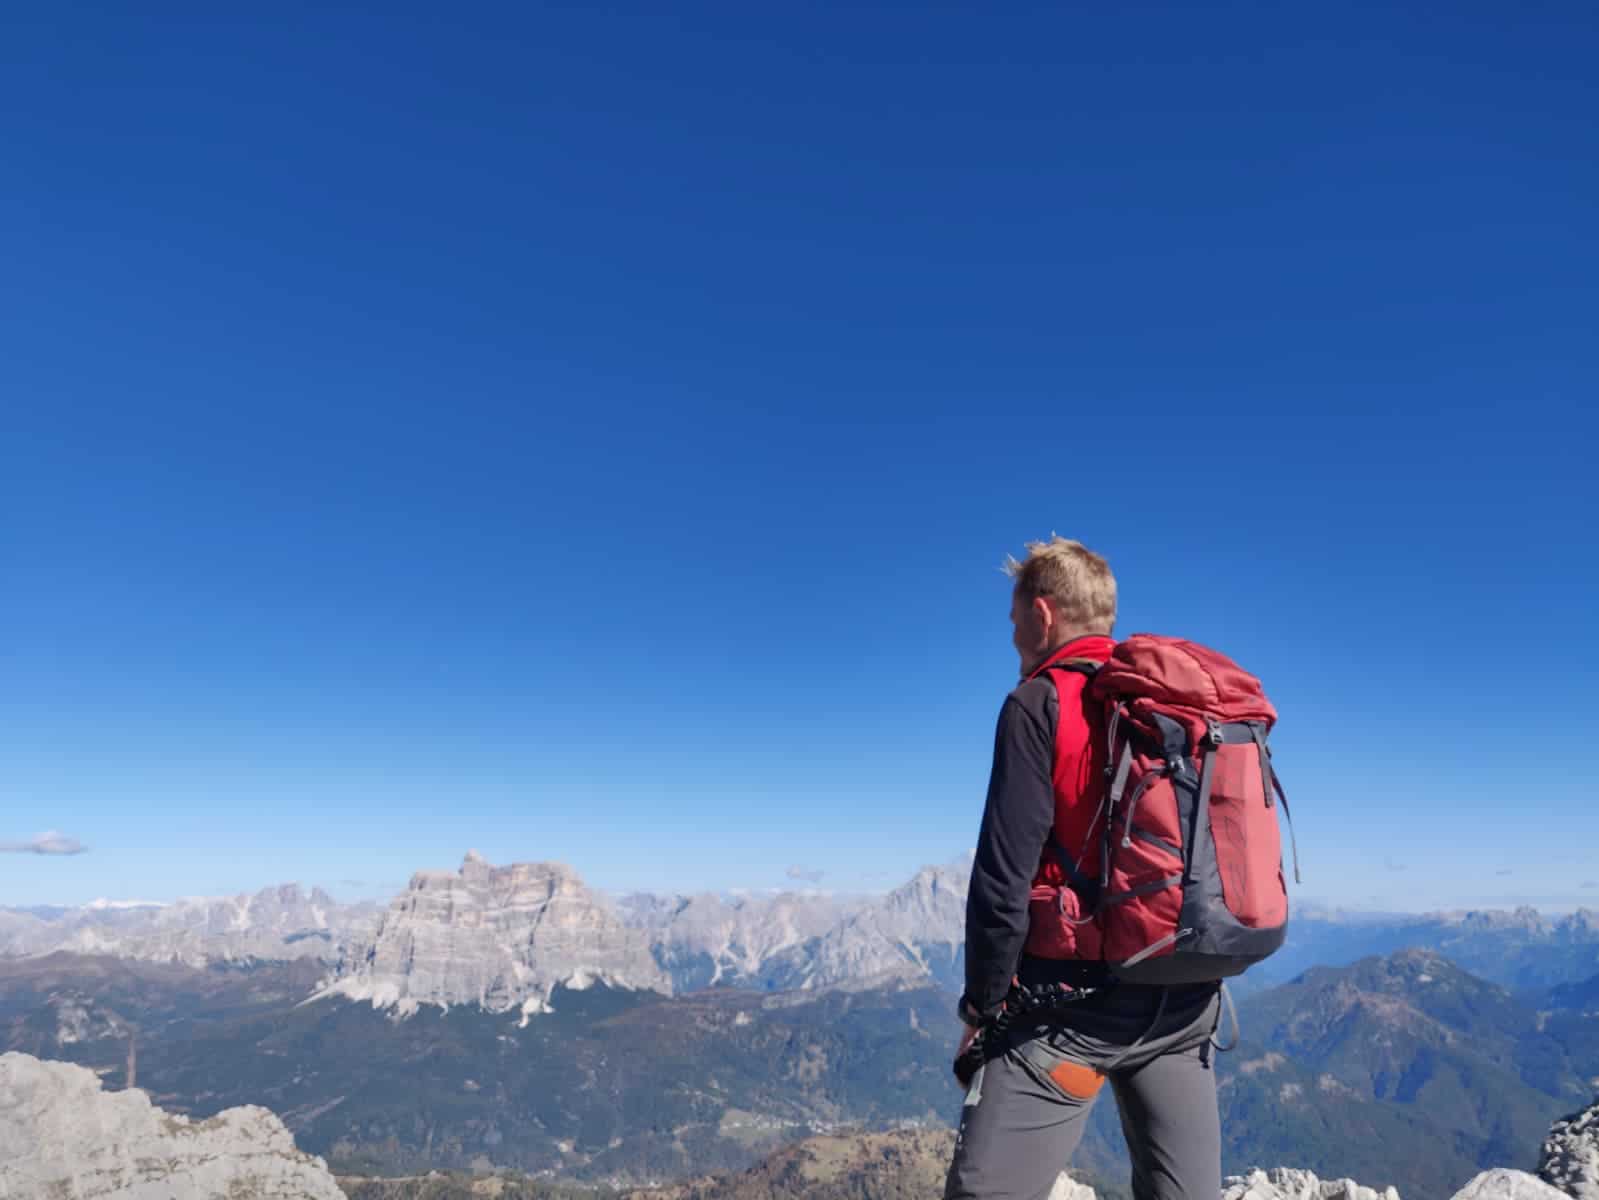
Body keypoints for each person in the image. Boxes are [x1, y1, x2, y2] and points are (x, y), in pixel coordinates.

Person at [945, 536, 1224, 1200]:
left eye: (1015, 626)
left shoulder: (1039, 703)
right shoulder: (1171, 707)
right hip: (1187, 1002)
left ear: (1041, 616)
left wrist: (980, 1009)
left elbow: (1002, 880)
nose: (1014, 642)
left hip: (1074, 1015)